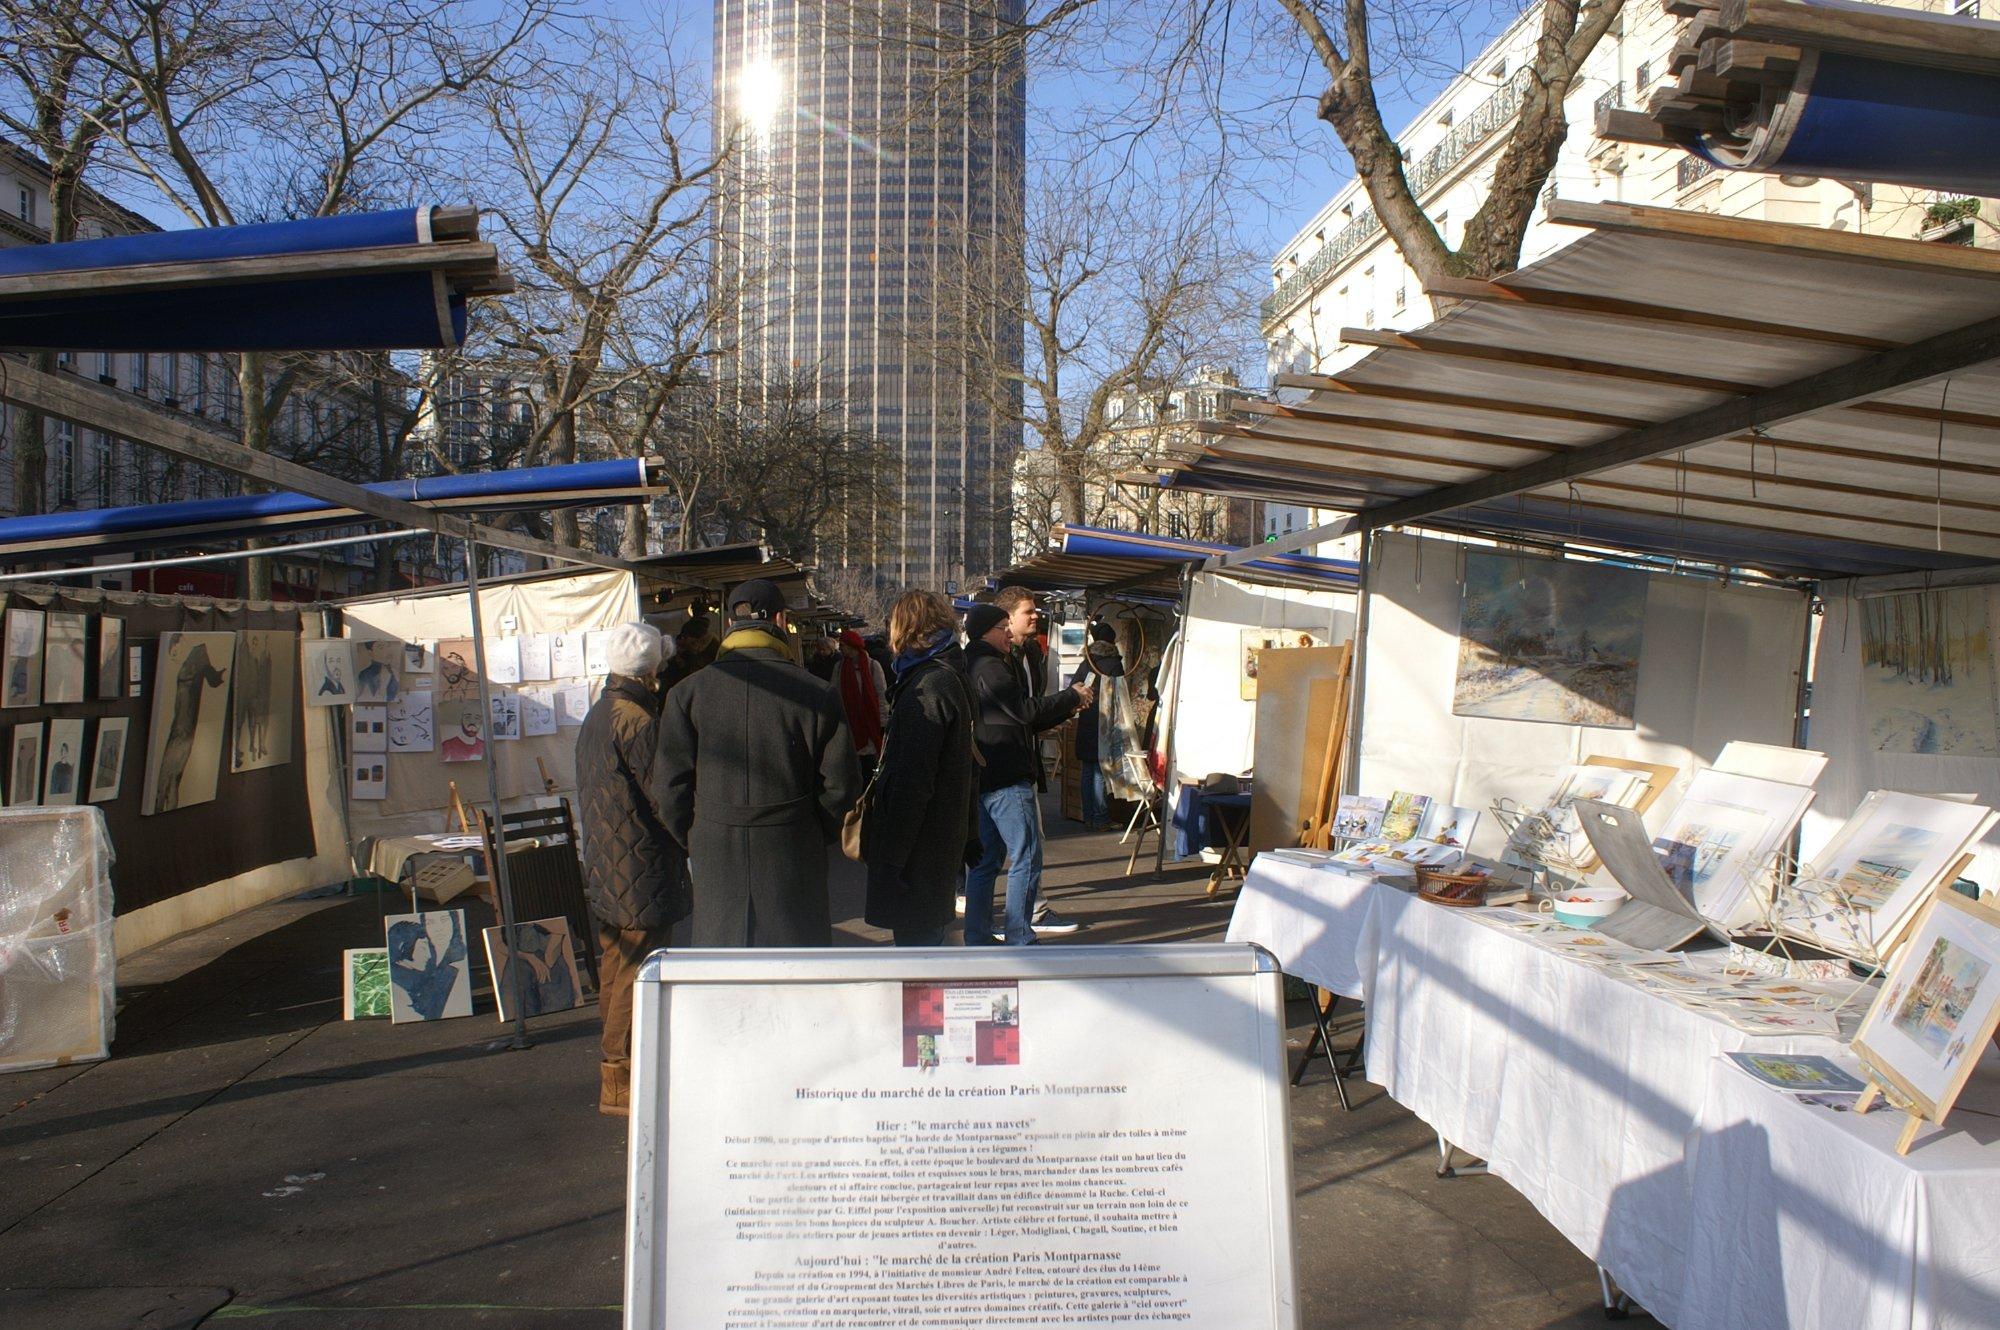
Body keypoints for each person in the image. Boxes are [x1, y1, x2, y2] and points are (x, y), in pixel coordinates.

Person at [655, 579, 861, 946]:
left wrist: (699, 835)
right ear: (781, 620)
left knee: (725, 968)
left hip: (716, 852)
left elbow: (670, 789)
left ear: (729, 624)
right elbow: (842, 787)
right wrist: (809, 831)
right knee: (797, 967)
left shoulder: (686, 693)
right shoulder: (816, 693)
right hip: (792, 850)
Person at [576, 621, 690, 1117]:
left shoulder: (601, 712)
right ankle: (618, 1077)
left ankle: (618, 1068)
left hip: (611, 859)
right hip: (638, 861)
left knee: (617, 966)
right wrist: (692, 837)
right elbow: (663, 796)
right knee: (634, 970)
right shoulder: (636, 719)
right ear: (651, 670)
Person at [964, 595, 1091, 945]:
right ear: (986, 632)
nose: (1008, 633)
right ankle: (1019, 933)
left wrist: (1065, 709)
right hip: (1005, 776)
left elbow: (1016, 718)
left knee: (987, 860)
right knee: (1026, 856)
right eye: (1002, 627)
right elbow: (1022, 710)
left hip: (988, 774)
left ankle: (978, 935)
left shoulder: (979, 663)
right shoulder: (989, 665)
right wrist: (1071, 697)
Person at [863, 591, 976, 947]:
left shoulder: (928, 685)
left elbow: (912, 784)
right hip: (938, 841)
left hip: (920, 851)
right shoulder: (948, 674)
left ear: (905, 629)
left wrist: (892, 861)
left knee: (918, 956)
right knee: (926, 943)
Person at [1069, 622, 1126, 829]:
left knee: (1088, 771)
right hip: (1105, 721)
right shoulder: (1113, 664)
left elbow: (1074, 687)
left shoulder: (1088, 662)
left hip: (1087, 718)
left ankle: (1089, 816)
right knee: (1100, 771)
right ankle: (1101, 818)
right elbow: (1120, 696)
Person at [835, 628, 889, 778]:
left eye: (843, 645)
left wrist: (882, 721)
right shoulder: (839, 668)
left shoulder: (872, 666)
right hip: (849, 721)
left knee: (870, 763)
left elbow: (881, 694)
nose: (840, 648)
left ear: (851, 646)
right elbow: (835, 692)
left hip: (869, 721)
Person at [663, 615, 717, 690]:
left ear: (694, 640)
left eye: (684, 637)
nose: (683, 641)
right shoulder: (692, 653)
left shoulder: (709, 654)